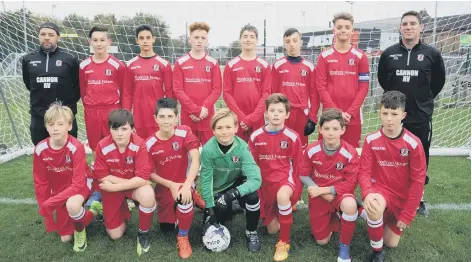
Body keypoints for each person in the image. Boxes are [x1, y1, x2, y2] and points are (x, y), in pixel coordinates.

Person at [377, 10, 446, 216]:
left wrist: (423, 100)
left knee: (420, 156)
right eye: (405, 24)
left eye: (413, 24)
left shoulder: (432, 54)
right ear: (400, 27)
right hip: (394, 116)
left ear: (420, 27)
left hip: (420, 116)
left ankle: (419, 196)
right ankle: (390, 193)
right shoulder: (389, 54)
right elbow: (383, 81)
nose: (408, 27)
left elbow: (438, 82)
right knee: (391, 154)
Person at [359, 91, 426, 262]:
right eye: (385, 113)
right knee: (375, 207)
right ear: (379, 113)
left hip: (401, 198)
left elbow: (418, 182)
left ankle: (362, 211)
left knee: (391, 243)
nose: (389, 118)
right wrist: (367, 193)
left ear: (403, 115)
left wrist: (408, 214)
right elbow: (364, 172)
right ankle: (377, 251)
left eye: (394, 114)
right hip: (380, 191)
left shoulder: (414, 144)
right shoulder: (371, 140)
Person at [33, 102, 102, 252]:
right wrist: (47, 210)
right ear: (46, 127)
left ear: (69, 126)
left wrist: (52, 203)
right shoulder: (40, 149)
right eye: (51, 124)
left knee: (72, 205)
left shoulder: (75, 147)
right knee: (65, 239)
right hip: (60, 191)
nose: (55, 128)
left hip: (82, 185)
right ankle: (94, 210)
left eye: (60, 124)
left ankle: (80, 233)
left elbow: (77, 184)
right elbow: (41, 183)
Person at [299, 108, 360, 262]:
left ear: (343, 130)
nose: (331, 133)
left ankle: (344, 248)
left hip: (339, 193)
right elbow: (303, 174)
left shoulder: (350, 152)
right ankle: (337, 215)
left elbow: (351, 183)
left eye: (335, 128)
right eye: (326, 128)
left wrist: (324, 190)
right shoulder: (312, 150)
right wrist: (317, 190)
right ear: (319, 129)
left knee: (349, 203)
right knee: (321, 241)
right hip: (318, 196)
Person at [93, 109, 156, 256]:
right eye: (115, 129)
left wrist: (117, 187)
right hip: (116, 187)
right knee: (115, 235)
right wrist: (133, 181)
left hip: (116, 187)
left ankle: (143, 234)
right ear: (109, 130)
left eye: (124, 128)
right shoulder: (102, 145)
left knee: (147, 194)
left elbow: (143, 178)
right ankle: (113, 209)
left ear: (133, 129)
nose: (119, 133)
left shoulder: (140, 144)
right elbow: (101, 176)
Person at [248, 93, 302, 261]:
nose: (276, 114)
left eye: (280, 111)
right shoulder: (256, 136)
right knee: (271, 229)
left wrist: (295, 192)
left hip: (285, 182)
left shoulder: (293, 137)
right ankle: (282, 210)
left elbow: (298, 168)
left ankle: (284, 242)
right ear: (266, 113)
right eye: (272, 110)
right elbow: (252, 166)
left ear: (287, 114)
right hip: (265, 186)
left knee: (282, 196)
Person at [200, 108, 262, 253]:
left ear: (236, 128)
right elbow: (206, 180)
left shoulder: (242, 148)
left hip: (235, 184)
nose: (224, 131)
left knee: (253, 197)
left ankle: (251, 232)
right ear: (213, 131)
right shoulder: (208, 150)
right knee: (219, 218)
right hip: (218, 189)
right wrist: (209, 208)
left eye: (228, 127)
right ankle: (227, 208)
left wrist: (232, 194)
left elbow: (256, 179)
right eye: (219, 128)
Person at [145, 98, 201, 258]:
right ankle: (189, 198)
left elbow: (196, 160)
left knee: (184, 198)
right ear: (155, 118)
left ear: (176, 118)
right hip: (165, 187)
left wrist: (186, 185)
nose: (166, 121)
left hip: (185, 182)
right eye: (162, 117)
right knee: (166, 228)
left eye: (170, 116)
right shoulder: (149, 144)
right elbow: (148, 173)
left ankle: (183, 237)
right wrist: (170, 184)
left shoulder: (184, 131)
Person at [316, 12, 370, 148]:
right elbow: (321, 87)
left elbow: (364, 87)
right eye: (339, 27)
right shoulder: (324, 56)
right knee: (325, 155)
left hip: (352, 118)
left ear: (352, 30)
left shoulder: (361, 56)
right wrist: (337, 112)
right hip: (329, 116)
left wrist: (350, 112)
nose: (343, 30)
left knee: (351, 155)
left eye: (347, 27)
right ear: (333, 30)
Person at [22, 22, 80, 145]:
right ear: (38, 36)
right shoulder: (28, 59)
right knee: (42, 153)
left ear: (58, 37)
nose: (46, 37)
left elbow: (77, 86)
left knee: (68, 154)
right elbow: (29, 84)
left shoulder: (69, 58)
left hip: (65, 116)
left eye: (51, 34)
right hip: (39, 116)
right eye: (43, 34)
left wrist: (66, 107)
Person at [173, 22, 222, 146]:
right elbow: (178, 90)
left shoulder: (213, 63)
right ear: (189, 40)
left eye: (203, 38)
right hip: (188, 117)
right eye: (196, 37)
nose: (199, 41)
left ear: (207, 41)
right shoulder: (181, 62)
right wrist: (195, 111)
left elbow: (217, 89)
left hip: (207, 116)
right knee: (189, 155)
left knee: (209, 154)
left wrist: (203, 110)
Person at [79, 25, 125, 159]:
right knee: (95, 146)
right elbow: (83, 90)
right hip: (91, 111)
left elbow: (124, 91)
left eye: (102, 40)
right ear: (90, 42)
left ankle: (118, 175)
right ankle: (99, 176)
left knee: (116, 144)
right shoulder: (83, 65)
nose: (99, 44)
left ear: (109, 42)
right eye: (95, 40)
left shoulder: (118, 65)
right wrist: (89, 105)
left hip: (112, 111)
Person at [123, 25, 174, 139]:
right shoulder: (130, 65)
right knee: (139, 149)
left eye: (148, 37)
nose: (145, 41)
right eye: (141, 38)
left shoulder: (164, 64)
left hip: (158, 115)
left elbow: (170, 93)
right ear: (137, 40)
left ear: (153, 39)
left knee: (158, 148)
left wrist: (169, 115)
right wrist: (127, 117)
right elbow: (127, 93)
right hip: (138, 116)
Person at [272, 28, 319, 148]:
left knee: (300, 149)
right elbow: (273, 93)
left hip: (302, 114)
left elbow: (314, 94)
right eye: (288, 41)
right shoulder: (277, 65)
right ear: (284, 44)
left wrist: (313, 118)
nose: (291, 44)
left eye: (294, 40)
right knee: (282, 148)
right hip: (283, 113)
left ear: (301, 42)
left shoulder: (309, 66)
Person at [223, 24, 271, 142]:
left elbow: (267, 94)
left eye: (251, 36)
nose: (248, 39)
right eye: (245, 36)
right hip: (237, 119)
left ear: (257, 40)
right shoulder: (231, 65)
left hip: (257, 118)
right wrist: (241, 118)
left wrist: (252, 118)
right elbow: (227, 94)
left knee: (258, 153)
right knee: (236, 154)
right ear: (240, 39)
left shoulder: (264, 65)